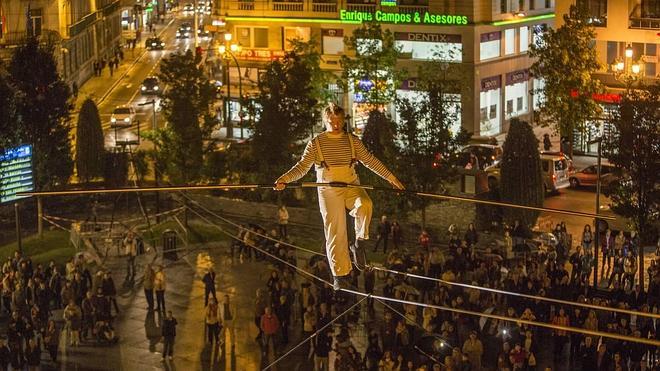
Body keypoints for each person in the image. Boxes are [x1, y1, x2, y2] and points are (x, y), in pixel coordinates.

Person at [274, 103, 404, 290]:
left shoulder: (352, 141)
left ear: (343, 121)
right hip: (328, 190)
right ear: (326, 121)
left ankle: (359, 243)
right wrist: (285, 179)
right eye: (332, 121)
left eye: (339, 121)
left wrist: (391, 178)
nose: (336, 124)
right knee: (336, 230)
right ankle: (339, 273)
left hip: (351, 184)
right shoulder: (316, 143)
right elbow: (302, 167)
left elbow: (370, 161)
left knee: (365, 204)